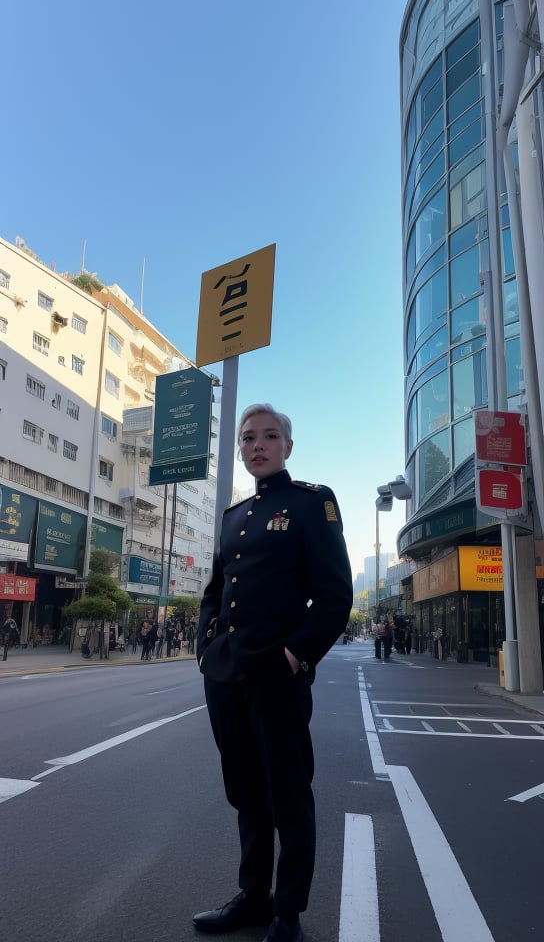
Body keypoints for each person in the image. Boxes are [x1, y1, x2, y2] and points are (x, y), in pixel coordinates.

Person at [194, 403, 353, 942]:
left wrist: (296, 655)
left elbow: (335, 595)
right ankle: (253, 897)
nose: (257, 445)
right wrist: (204, 647)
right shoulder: (233, 517)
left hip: (276, 676)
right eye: (248, 438)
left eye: (268, 436)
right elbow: (214, 593)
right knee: (245, 791)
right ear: (240, 450)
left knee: (288, 794)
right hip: (227, 676)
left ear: (287, 446)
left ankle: (287, 912)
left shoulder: (312, 503)